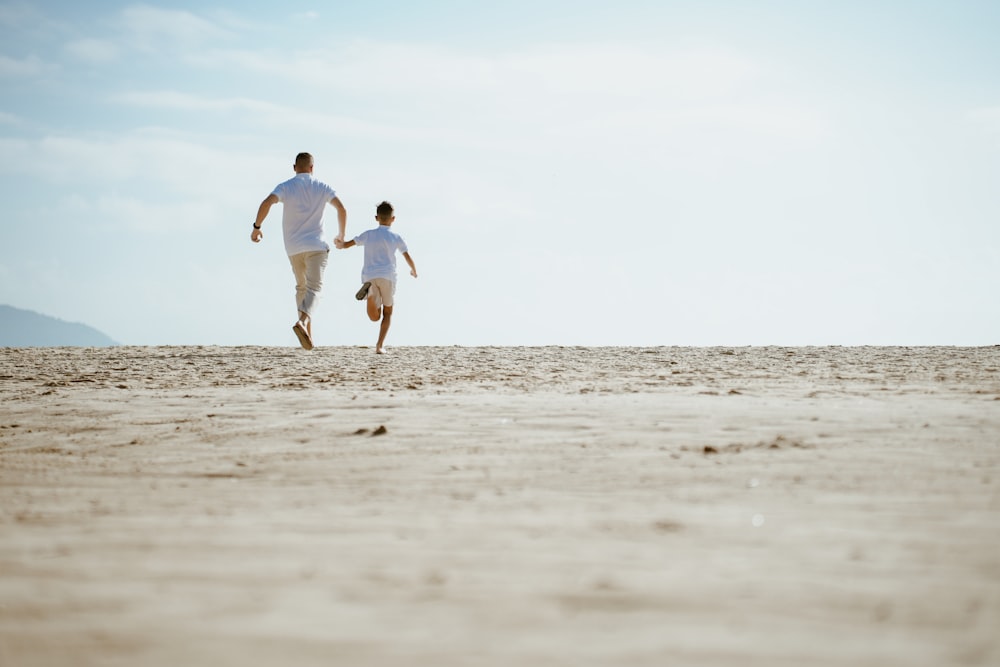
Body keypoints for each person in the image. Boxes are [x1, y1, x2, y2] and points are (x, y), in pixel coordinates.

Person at [250, 152, 346, 350]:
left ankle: (307, 335)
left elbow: (267, 202)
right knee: (315, 289)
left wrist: (257, 227)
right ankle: (302, 322)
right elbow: (341, 209)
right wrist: (341, 235)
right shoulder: (322, 186)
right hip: (317, 246)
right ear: (312, 168)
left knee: (302, 288)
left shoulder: (286, 186)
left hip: (293, 248)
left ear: (294, 167)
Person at [336, 201, 417, 354]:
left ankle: (371, 295)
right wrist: (413, 270)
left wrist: (339, 242)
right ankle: (379, 346)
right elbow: (407, 256)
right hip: (388, 276)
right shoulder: (396, 237)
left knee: (374, 317)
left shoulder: (368, 234)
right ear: (393, 219)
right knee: (387, 313)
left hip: (369, 276)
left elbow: (346, 245)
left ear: (376, 218)